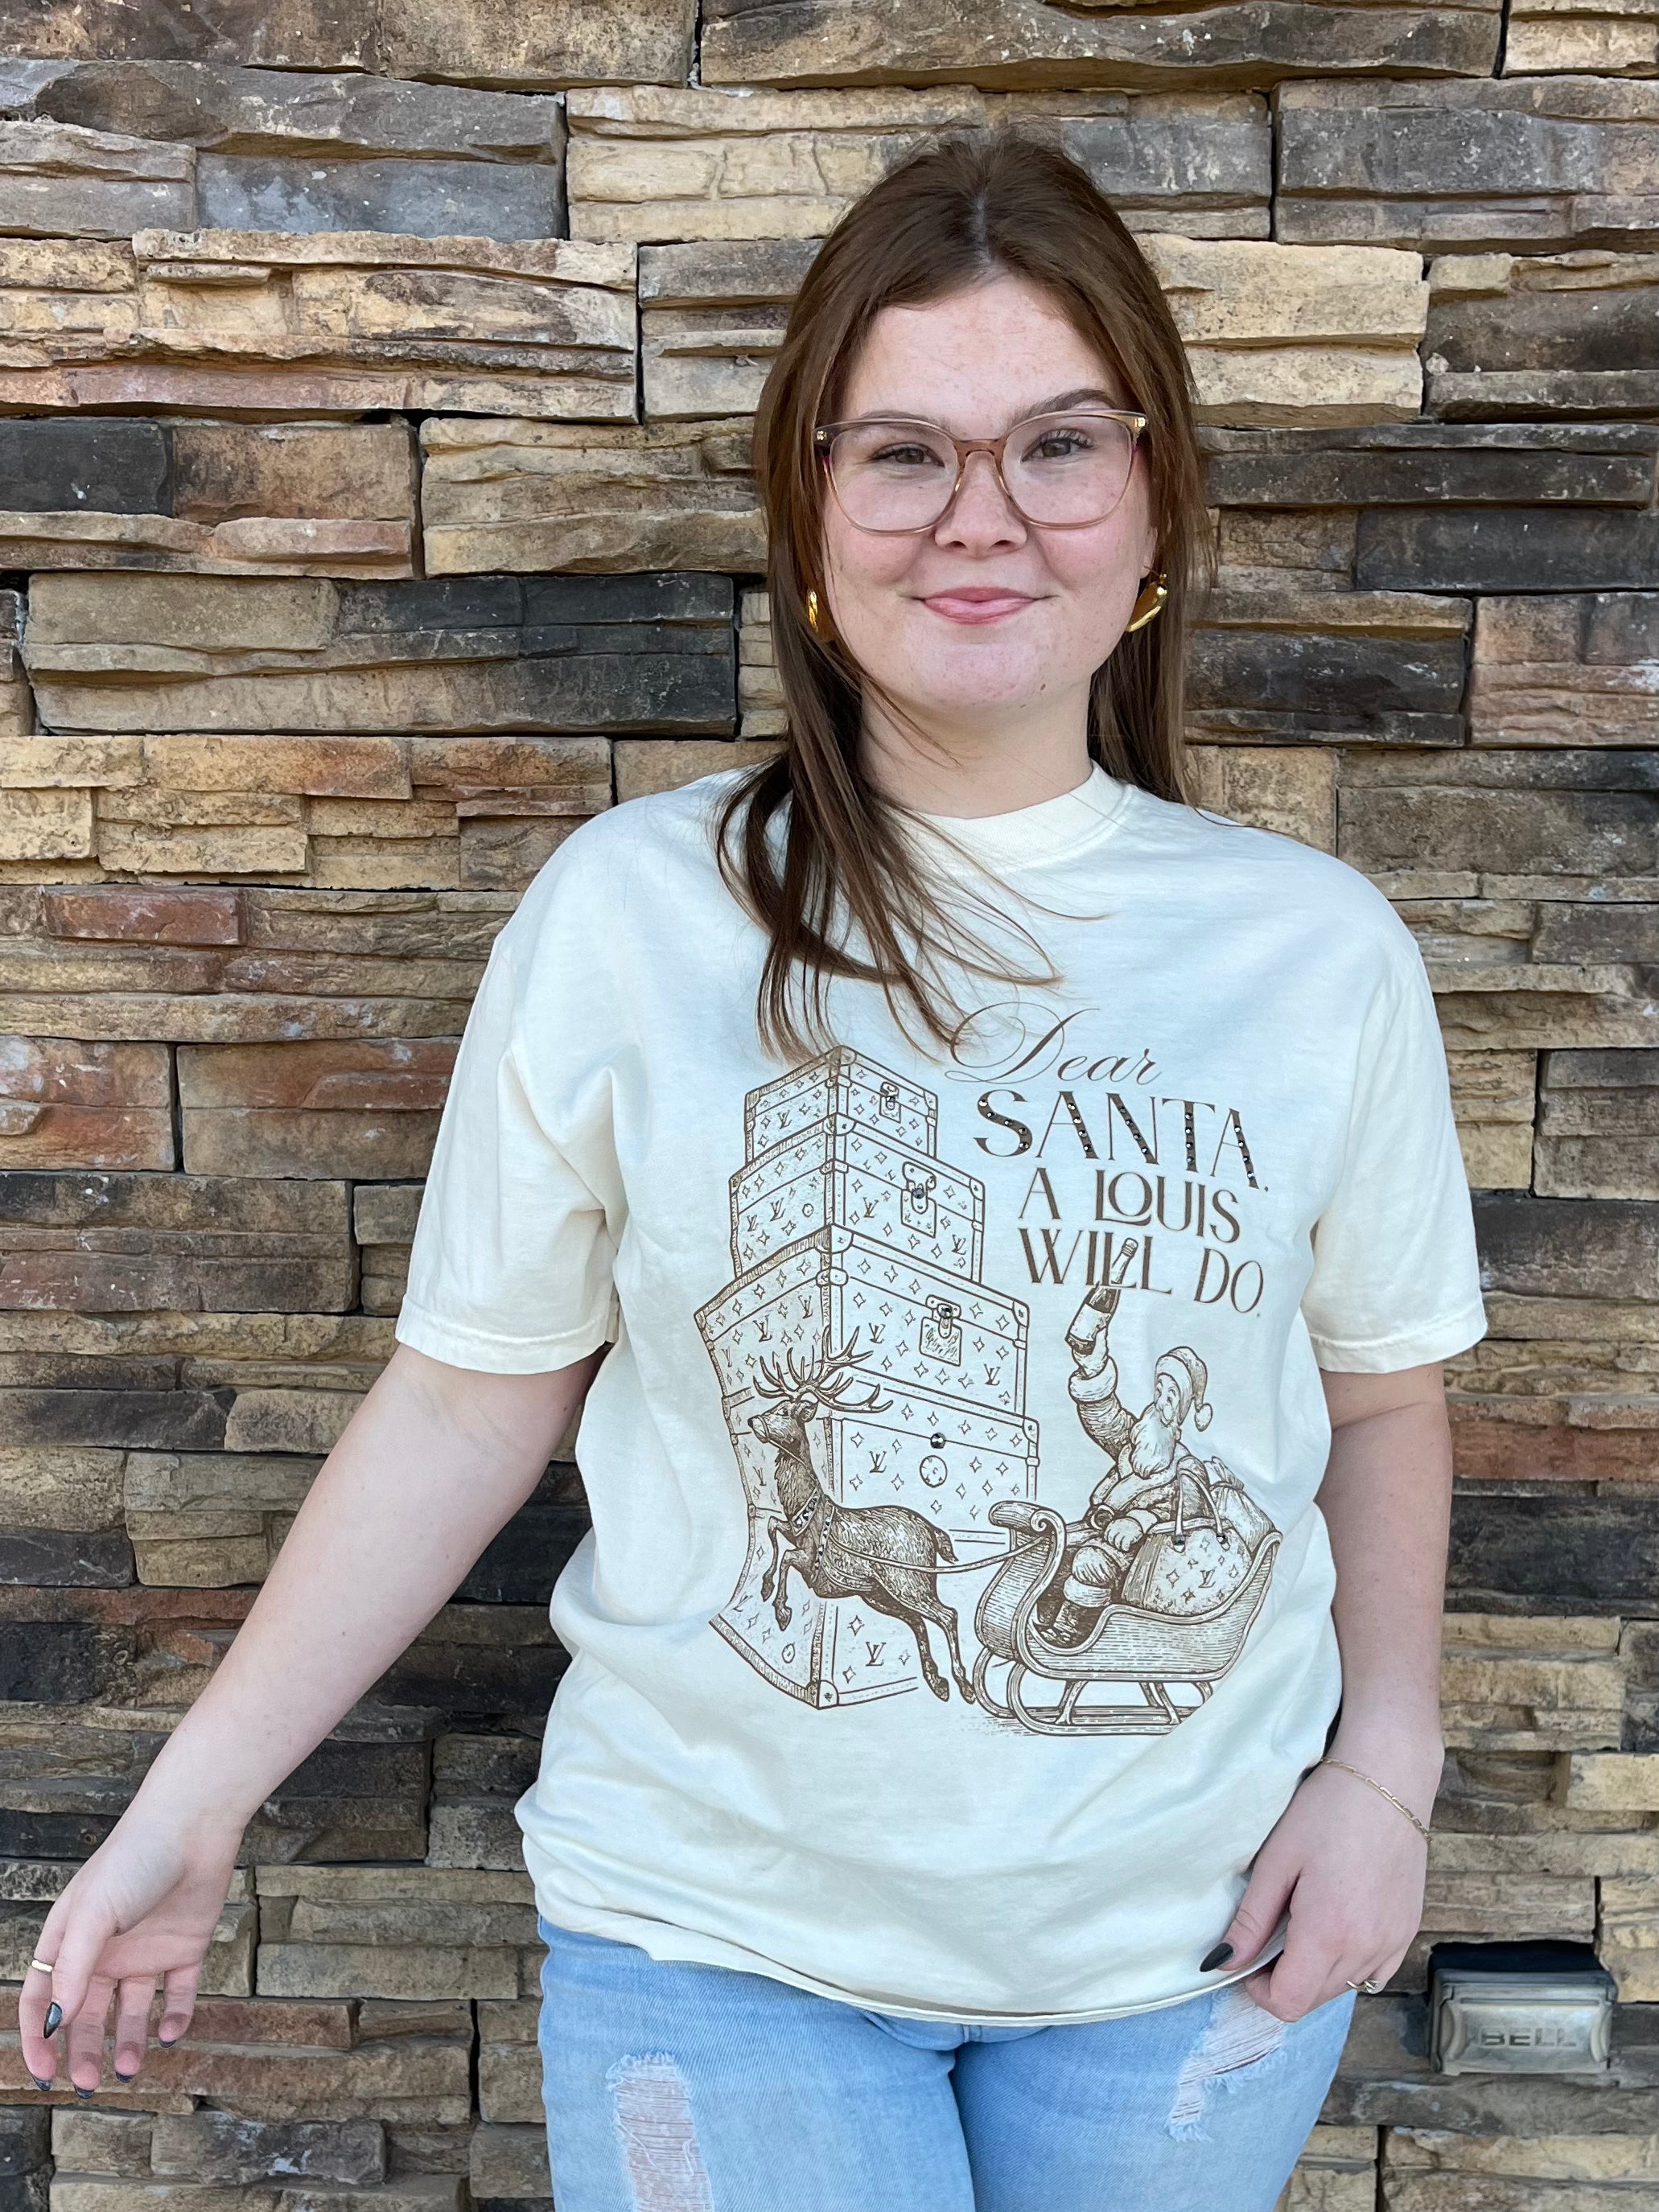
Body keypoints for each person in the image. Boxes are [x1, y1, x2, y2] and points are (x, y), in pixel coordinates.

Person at [17, 130, 1488, 2212]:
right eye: (903, 454)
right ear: (810, 512)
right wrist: (195, 1804)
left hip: (1194, 1954)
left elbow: (1383, 1399)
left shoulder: (1316, 951)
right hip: (718, 1946)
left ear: (1154, 503)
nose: (980, 515)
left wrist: (1387, 1780)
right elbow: (467, 1399)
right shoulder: (637, 916)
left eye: (1059, 444)